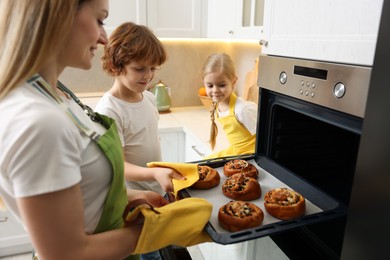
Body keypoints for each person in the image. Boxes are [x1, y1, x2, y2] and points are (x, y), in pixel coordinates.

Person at [0, 1, 209, 259]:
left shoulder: (59, 96)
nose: (103, 38)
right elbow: (66, 254)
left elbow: (83, 196)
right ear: (60, 16)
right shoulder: (38, 122)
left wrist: (129, 197)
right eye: (100, 20)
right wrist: (161, 228)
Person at [94, 21, 180, 260]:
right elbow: (118, 166)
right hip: (134, 203)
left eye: (153, 68)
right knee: (147, 254)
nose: (149, 76)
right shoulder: (109, 111)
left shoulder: (148, 98)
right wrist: (154, 175)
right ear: (115, 65)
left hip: (156, 192)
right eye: (140, 68)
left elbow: (149, 146)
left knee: (161, 249)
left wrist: (161, 176)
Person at [202, 53, 258, 159]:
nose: (215, 90)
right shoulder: (218, 106)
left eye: (221, 85)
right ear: (204, 83)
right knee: (205, 161)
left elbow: (264, 141)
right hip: (236, 151)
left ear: (233, 82)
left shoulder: (243, 110)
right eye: (210, 85)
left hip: (250, 155)